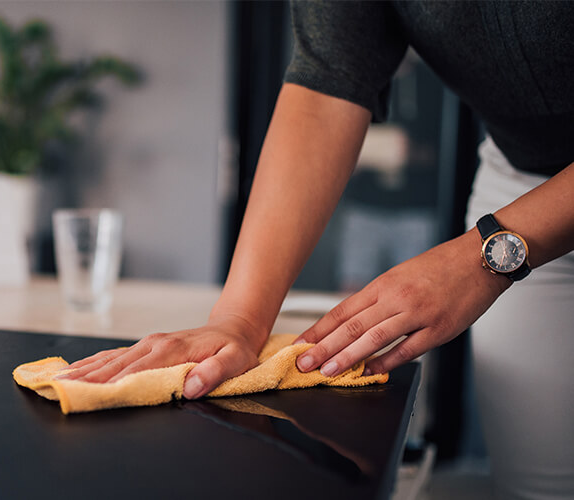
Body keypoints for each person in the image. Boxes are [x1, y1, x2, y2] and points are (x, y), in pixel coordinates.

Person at [60, 2, 574, 498]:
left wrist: (479, 257)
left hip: (506, 230)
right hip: (522, 180)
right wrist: (239, 318)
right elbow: (326, 82)